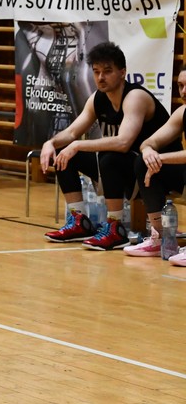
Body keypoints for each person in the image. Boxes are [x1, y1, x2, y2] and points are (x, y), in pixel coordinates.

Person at [40, 41, 173, 250]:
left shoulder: (135, 97)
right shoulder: (97, 99)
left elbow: (123, 142)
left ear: (122, 72)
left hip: (156, 171)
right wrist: (51, 143)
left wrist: (78, 145)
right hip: (125, 169)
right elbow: (73, 132)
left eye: (107, 71)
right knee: (62, 153)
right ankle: (79, 221)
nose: (101, 77)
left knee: (109, 156)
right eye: (96, 72)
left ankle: (115, 227)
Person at [126, 68, 186, 263]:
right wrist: (148, 151)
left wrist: (161, 158)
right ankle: (160, 237)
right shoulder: (181, 112)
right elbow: (149, 142)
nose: (183, 91)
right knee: (143, 162)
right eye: (180, 86)